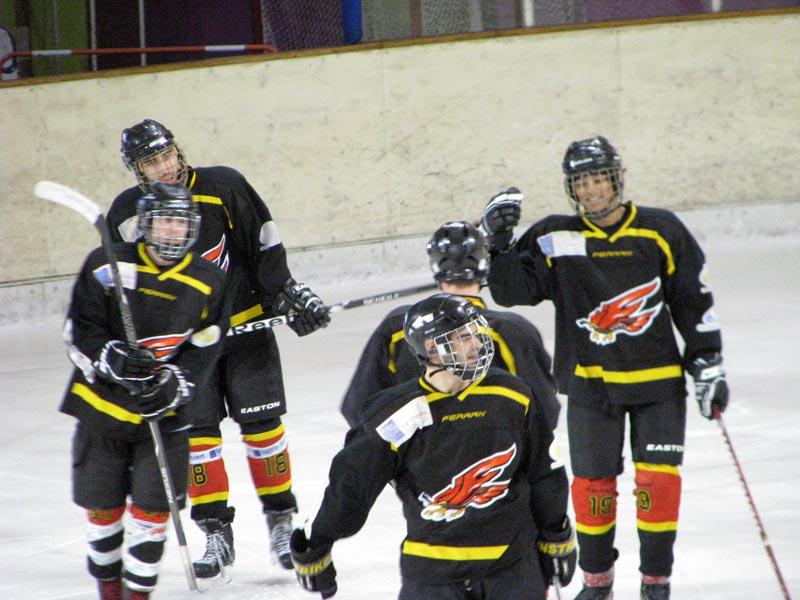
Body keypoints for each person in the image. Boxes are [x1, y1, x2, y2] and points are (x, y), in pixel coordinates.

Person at [481, 136, 729, 600]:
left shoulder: (660, 229)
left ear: (616, 179)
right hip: (591, 388)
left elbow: (692, 300)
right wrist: (499, 246)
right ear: (571, 188)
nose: (591, 189)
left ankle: (656, 582)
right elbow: (513, 291)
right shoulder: (556, 235)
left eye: (598, 178)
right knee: (593, 487)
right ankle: (597, 583)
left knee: (657, 483)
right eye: (581, 182)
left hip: (658, 386)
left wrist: (707, 360)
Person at [106, 119, 331, 578]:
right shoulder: (128, 214)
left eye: (166, 155)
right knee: (198, 435)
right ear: (137, 170)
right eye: (151, 162)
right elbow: (124, 288)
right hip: (182, 349)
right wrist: (136, 343)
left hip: (245, 331)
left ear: (178, 151)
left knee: (264, 427)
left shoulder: (223, 186)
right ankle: (215, 532)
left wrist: (287, 295)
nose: (163, 167)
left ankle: (282, 522)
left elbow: (263, 247)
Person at [290, 293, 576, 600]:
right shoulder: (396, 413)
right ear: (431, 348)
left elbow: (544, 472)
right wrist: (317, 543)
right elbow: (352, 484)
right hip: (432, 574)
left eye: (475, 333)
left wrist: (556, 534)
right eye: (463, 338)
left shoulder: (513, 395)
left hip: (513, 569)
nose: (477, 344)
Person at [61, 183, 230, 600]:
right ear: (147, 224)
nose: (172, 231)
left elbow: (207, 345)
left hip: (163, 418)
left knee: (153, 513)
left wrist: (177, 382)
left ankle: (138, 595)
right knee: (102, 510)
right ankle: (109, 590)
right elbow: (78, 329)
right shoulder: (106, 264)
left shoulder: (209, 280)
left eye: (180, 222)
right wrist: (109, 356)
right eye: (164, 221)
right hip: (102, 412)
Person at [340, 220, 560, 433]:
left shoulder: (398, 326)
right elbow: (543, 413)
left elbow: (359, 408)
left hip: (418, 456)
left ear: (436, 267)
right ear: (485, 266)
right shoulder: (512, 330)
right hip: (492, 455)